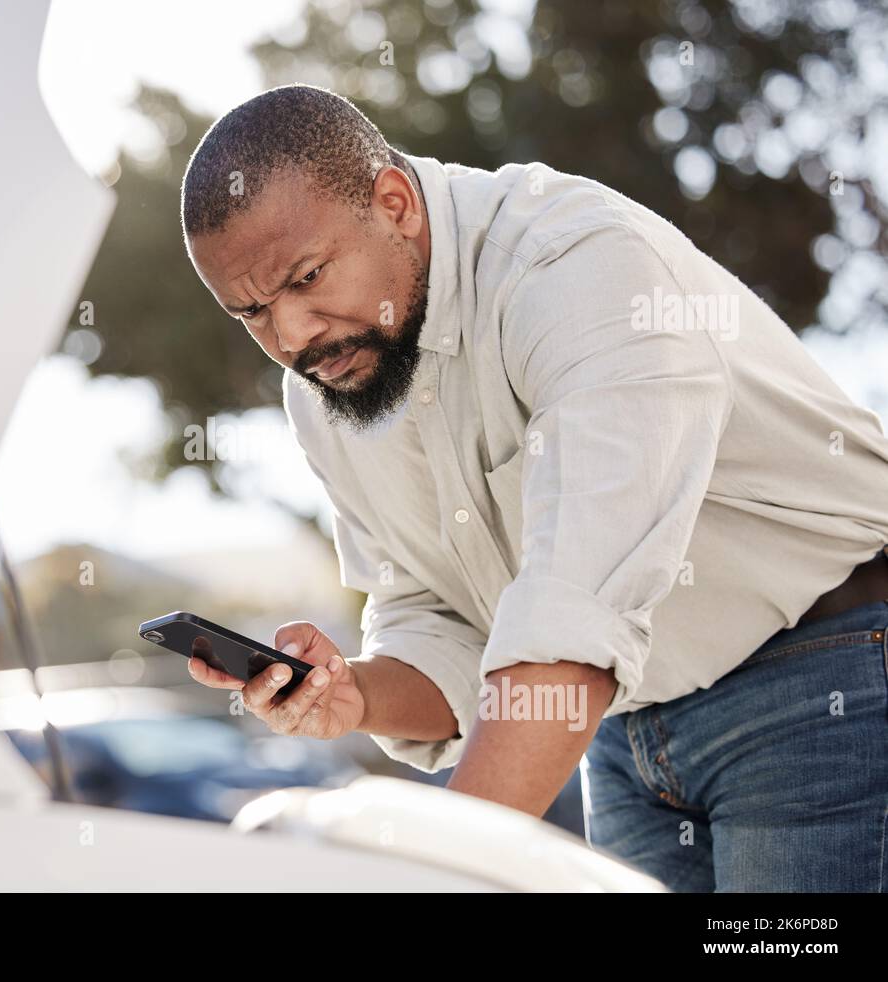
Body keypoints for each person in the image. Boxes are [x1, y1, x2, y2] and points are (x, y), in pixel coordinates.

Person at [177, 84, 888, 892]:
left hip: (824, 677)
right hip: (619, 731)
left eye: (307, 277)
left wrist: (439, 873)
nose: (292, 335)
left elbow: (571, 608)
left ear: (395, 201)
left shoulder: (577, 266)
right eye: (252, 313)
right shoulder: (327, 387)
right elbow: (437, 619)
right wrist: (356, 694)